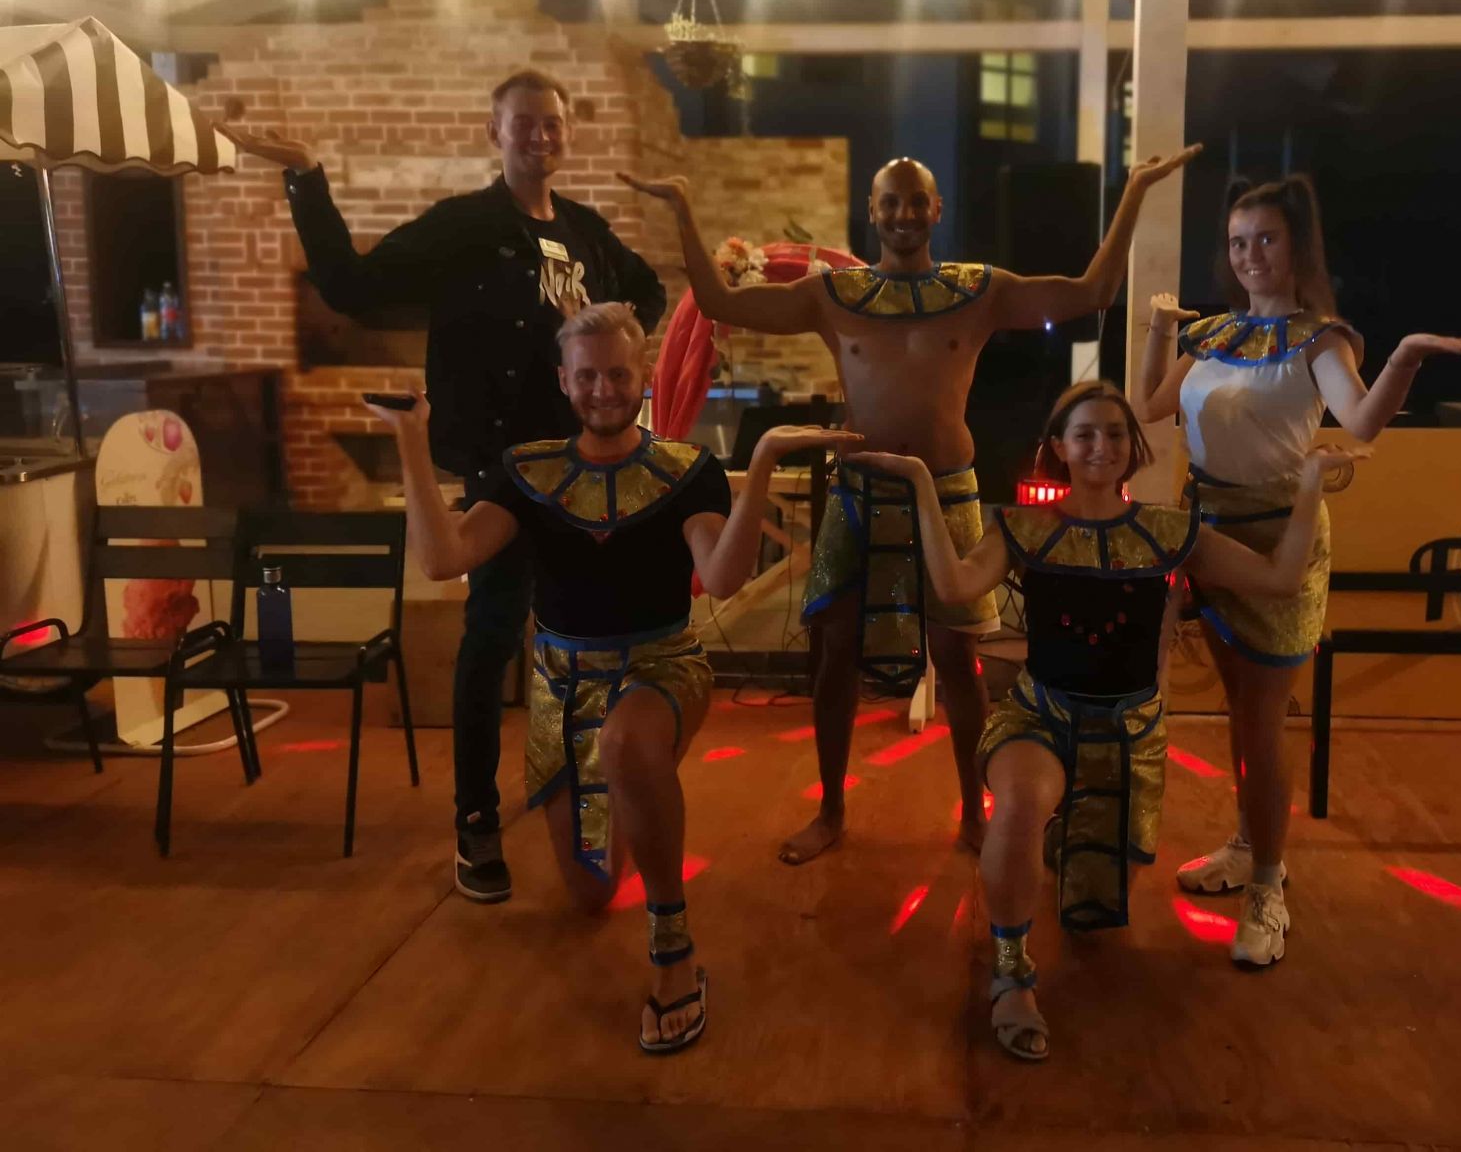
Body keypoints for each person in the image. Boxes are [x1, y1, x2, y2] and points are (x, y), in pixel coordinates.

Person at [619, 146, 1202, 865]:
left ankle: (974, 813)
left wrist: (1136, 188)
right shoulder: (832, 295)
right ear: (872, 212)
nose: (902, 214)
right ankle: (831, 809)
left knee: (958, 655)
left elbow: (1092, 290)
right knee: (835, 651)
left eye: (915, 201)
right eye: (889, 202)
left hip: (948, 489)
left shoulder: (980, 290)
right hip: (858, 491)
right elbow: (721, 304)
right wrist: (682, 209)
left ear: (937, 209)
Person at [223, 70, 667, 905]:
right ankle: (476, 821)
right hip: (504, 472)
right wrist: (306, 177)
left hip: (582, 469)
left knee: (589, 641)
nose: (540, 136)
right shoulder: (463, 226)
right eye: (524, 123)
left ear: (566, 134)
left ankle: (589, 801)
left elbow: (647, 292)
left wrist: (618, 345)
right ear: (495, 132)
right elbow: (351, 287)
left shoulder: (584, 231)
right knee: (491, 638)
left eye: (552, 123)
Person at [369, 301, 853, 1052]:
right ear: (565, 381)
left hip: (661, 665)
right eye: (588, 376)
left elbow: (723, 577)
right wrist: (411, 438)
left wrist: (759, 463)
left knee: (627, 743)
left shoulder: (686, 472)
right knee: (590, 895)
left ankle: (673, 947)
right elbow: (443, 558)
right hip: (562, 685)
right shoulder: (530, 471)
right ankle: (636, 797)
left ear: (643, 378)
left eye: (618, 375)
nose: (603, 389)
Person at [858, 381, 1352, 1059]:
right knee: (1020, 805)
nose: (1101, 446)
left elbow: (1278, 579)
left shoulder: (1171, 531)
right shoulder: (1025, 527)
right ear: (1059, 448)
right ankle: (1011, 972)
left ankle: (1062, 846)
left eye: (1115, 433)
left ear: (1134, 447)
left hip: (1129, 736)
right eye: (1084, 433)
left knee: (1094, 918)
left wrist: (1312, 485)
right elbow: (954, 586)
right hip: (1041, 714)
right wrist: (921, 483)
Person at [1131, 174, 1461, 967]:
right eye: (1238, 241)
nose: (1250, 254)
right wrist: (1159, 327)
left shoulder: (1321, 339)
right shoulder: (1215, 334)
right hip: (1205, 532)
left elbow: (1361, 420)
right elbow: (1150, 406)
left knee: (1263, 719)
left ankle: (1268, 884)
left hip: (1279, 537)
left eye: (1266, 238)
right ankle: (1245, 843)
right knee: (1235, 708)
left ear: (1297, 246)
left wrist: (1405, 357)